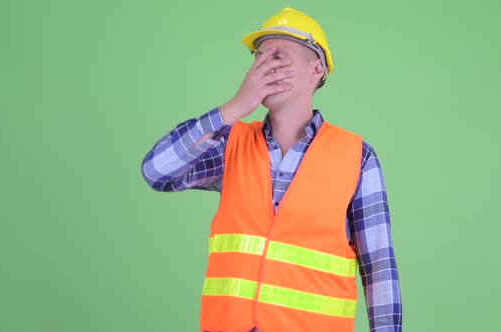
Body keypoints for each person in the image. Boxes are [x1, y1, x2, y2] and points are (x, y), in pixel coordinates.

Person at [141, 7, 402, 332]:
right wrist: (234, 107)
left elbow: (379, 268)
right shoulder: (229, 144)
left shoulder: (357, 157)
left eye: (279, 57)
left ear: (316, 69)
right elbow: (156, 170)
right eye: (260, 58)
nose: (266, 68)